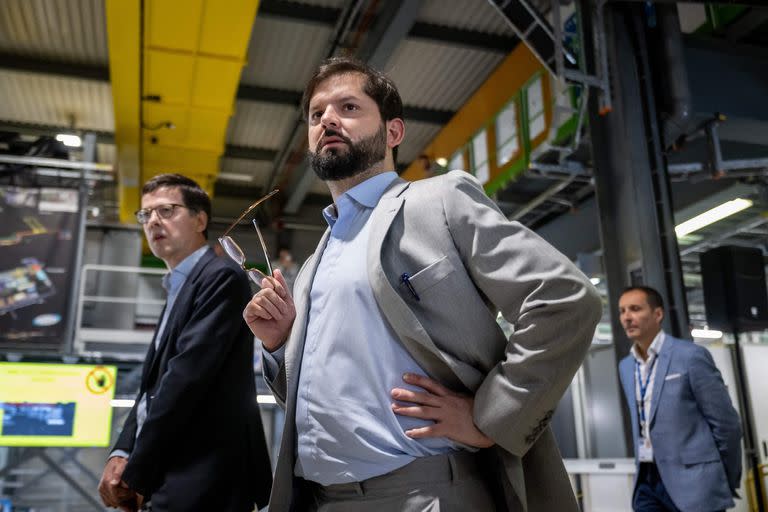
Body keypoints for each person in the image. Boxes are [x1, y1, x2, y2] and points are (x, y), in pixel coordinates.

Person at [244, 57, 602, 512]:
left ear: (394, 133)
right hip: (320, 499)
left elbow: (564, 299)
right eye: (317, 115)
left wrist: (491, 418)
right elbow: (316, 396)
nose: (328, 120)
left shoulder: (438, 202)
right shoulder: (317, 260)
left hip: (424, 495)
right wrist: (278, 346)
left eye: (349, 107)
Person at [97, 174, 272, 512]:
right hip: (171, 469)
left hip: (206, 474)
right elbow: (151, 389)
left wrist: (136, 472)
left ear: (200, 219)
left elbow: (184, 379)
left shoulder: (221, 276)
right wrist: (121, 451)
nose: (153, 222)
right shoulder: (181, 285)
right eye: (145, 214)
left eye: (166, 210)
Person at [617, 286, 742, 512]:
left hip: (695, 483)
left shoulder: (690, 356)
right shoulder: (626, 366)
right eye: (622, 311)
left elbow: (726, 424)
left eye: (635, 309)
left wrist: (724, 476)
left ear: (658, 314)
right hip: (647, 480)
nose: (626, 317)